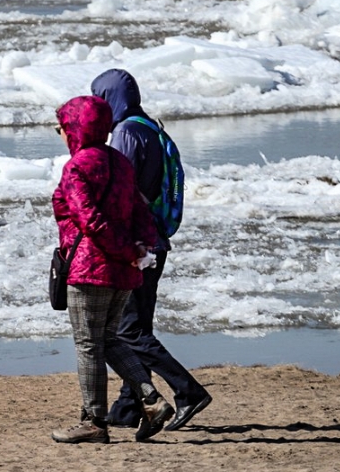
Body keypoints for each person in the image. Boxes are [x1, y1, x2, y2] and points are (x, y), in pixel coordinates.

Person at [91, 68, 212, 432]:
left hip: (137, 245)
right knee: (136, 327)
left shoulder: (126, 132)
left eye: (99, 99)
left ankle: (188, 392)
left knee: (126, 332)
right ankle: (130, 406)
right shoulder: (151, 127)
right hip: (155, 241)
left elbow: (119, 191)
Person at [50, 95, 175, 444]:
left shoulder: (77, 167)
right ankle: (150, 400)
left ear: (75, 128)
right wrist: (138, 251)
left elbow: (89, 219)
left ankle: (93, 421)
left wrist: (122, 250)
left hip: (92, 268)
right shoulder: (120, 162)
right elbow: (140, 211)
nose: (59, 132)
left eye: (61, 126)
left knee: (88, 344)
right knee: (108, 339)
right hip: (123, 270)